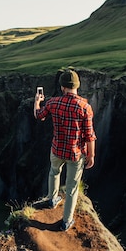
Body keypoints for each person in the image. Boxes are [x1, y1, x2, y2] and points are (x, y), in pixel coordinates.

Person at [33, 69, 96, 231]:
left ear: (62, 87)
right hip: (75, 153)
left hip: (56, 149)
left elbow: (39, 116)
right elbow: (89, 135)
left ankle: (52, 199)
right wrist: (91, 155)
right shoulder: (84, 107)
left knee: (54, 172)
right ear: (77, 86)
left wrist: (37, 101)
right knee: (72, 188)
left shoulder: (53, 102)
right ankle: (66, 221)